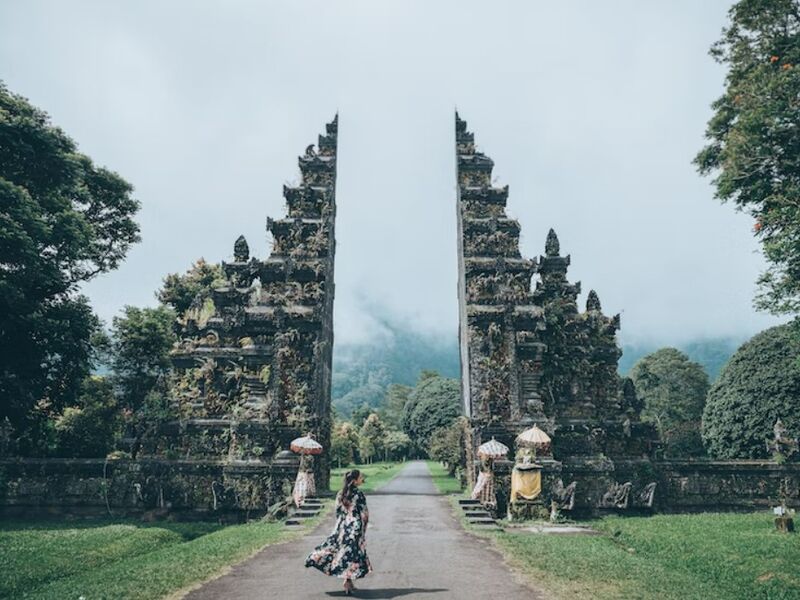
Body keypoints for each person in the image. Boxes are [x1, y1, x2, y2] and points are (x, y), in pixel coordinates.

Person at [305, 469, 372, 595]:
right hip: (355, 528)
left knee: (339, 550)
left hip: (342, 526)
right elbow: (364, 514)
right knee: (352, 554)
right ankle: (347, 582)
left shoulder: (341, 494)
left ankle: (316, 558)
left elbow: (337, 511)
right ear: (354, 480)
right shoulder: (359, 494)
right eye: (360, 477)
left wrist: (340, 525)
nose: (362, 479)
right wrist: (363, 529)